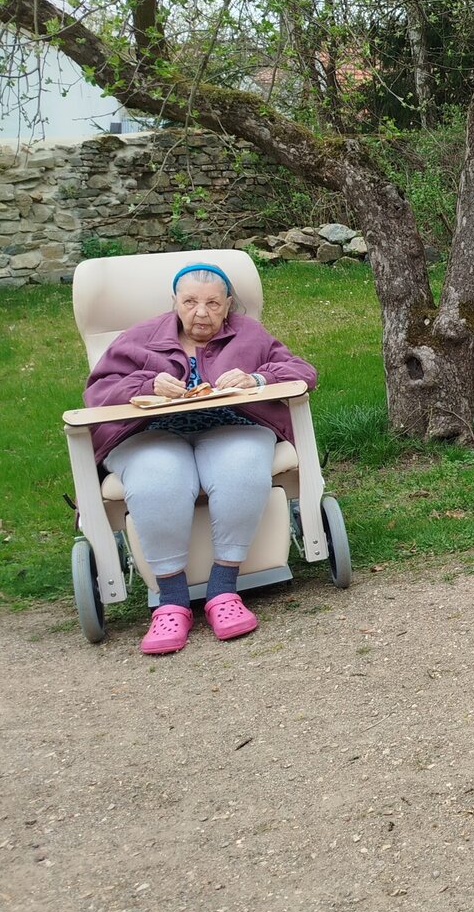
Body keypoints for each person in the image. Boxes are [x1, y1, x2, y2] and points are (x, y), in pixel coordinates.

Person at [83, 262, 319, 656]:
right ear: (175, 302)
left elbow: (301, 370)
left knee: (241, 468)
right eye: (190, 302)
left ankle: (223, 591)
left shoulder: (249, 334)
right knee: (158, 477)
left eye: (213, 303)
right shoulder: (138, 338)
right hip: (149, 431)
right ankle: (172, 601)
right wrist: (146, 384)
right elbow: (98, 391)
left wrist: (256, 379)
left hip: (232, 423)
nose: (201, 312)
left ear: (228, 306)